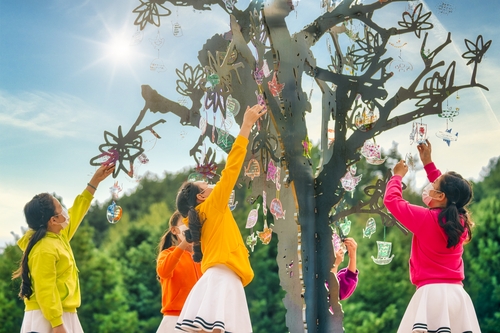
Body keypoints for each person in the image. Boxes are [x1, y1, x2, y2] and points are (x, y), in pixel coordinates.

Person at [174, 103, 266, 333]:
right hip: (223, 279)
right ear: (202, 196)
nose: (212, 183)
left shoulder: (198, 217)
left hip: (218, 278)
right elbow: (232, 166)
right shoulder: (213, 205)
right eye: (207, 183)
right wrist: (246, 125)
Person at [383, 139, 481, 333]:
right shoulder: (460, 221)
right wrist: (428, 164)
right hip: (457, 297)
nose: (430, 185)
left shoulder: (425, 219)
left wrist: (397, 177)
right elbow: (449, 196)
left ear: (440, 196)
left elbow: (391, 200)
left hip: (431, 296)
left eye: (434, 184)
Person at [14, 163, 115, 333]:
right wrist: (57, 324)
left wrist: (95, 181)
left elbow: (78, 211)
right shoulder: (43, 248)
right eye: (60, 208)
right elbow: (45, 289)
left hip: (63, 314)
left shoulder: (58, 236)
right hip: (47, 318)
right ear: (53, 220)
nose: (65, 211)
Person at [156, 211, 202, 333]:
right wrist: (184, 243)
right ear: (174, 230)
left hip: (200, 320)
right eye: (186, 222)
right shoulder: (166, 254)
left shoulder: (204, 256)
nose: (191, 226)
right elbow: (163, 272)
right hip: (175, 319)